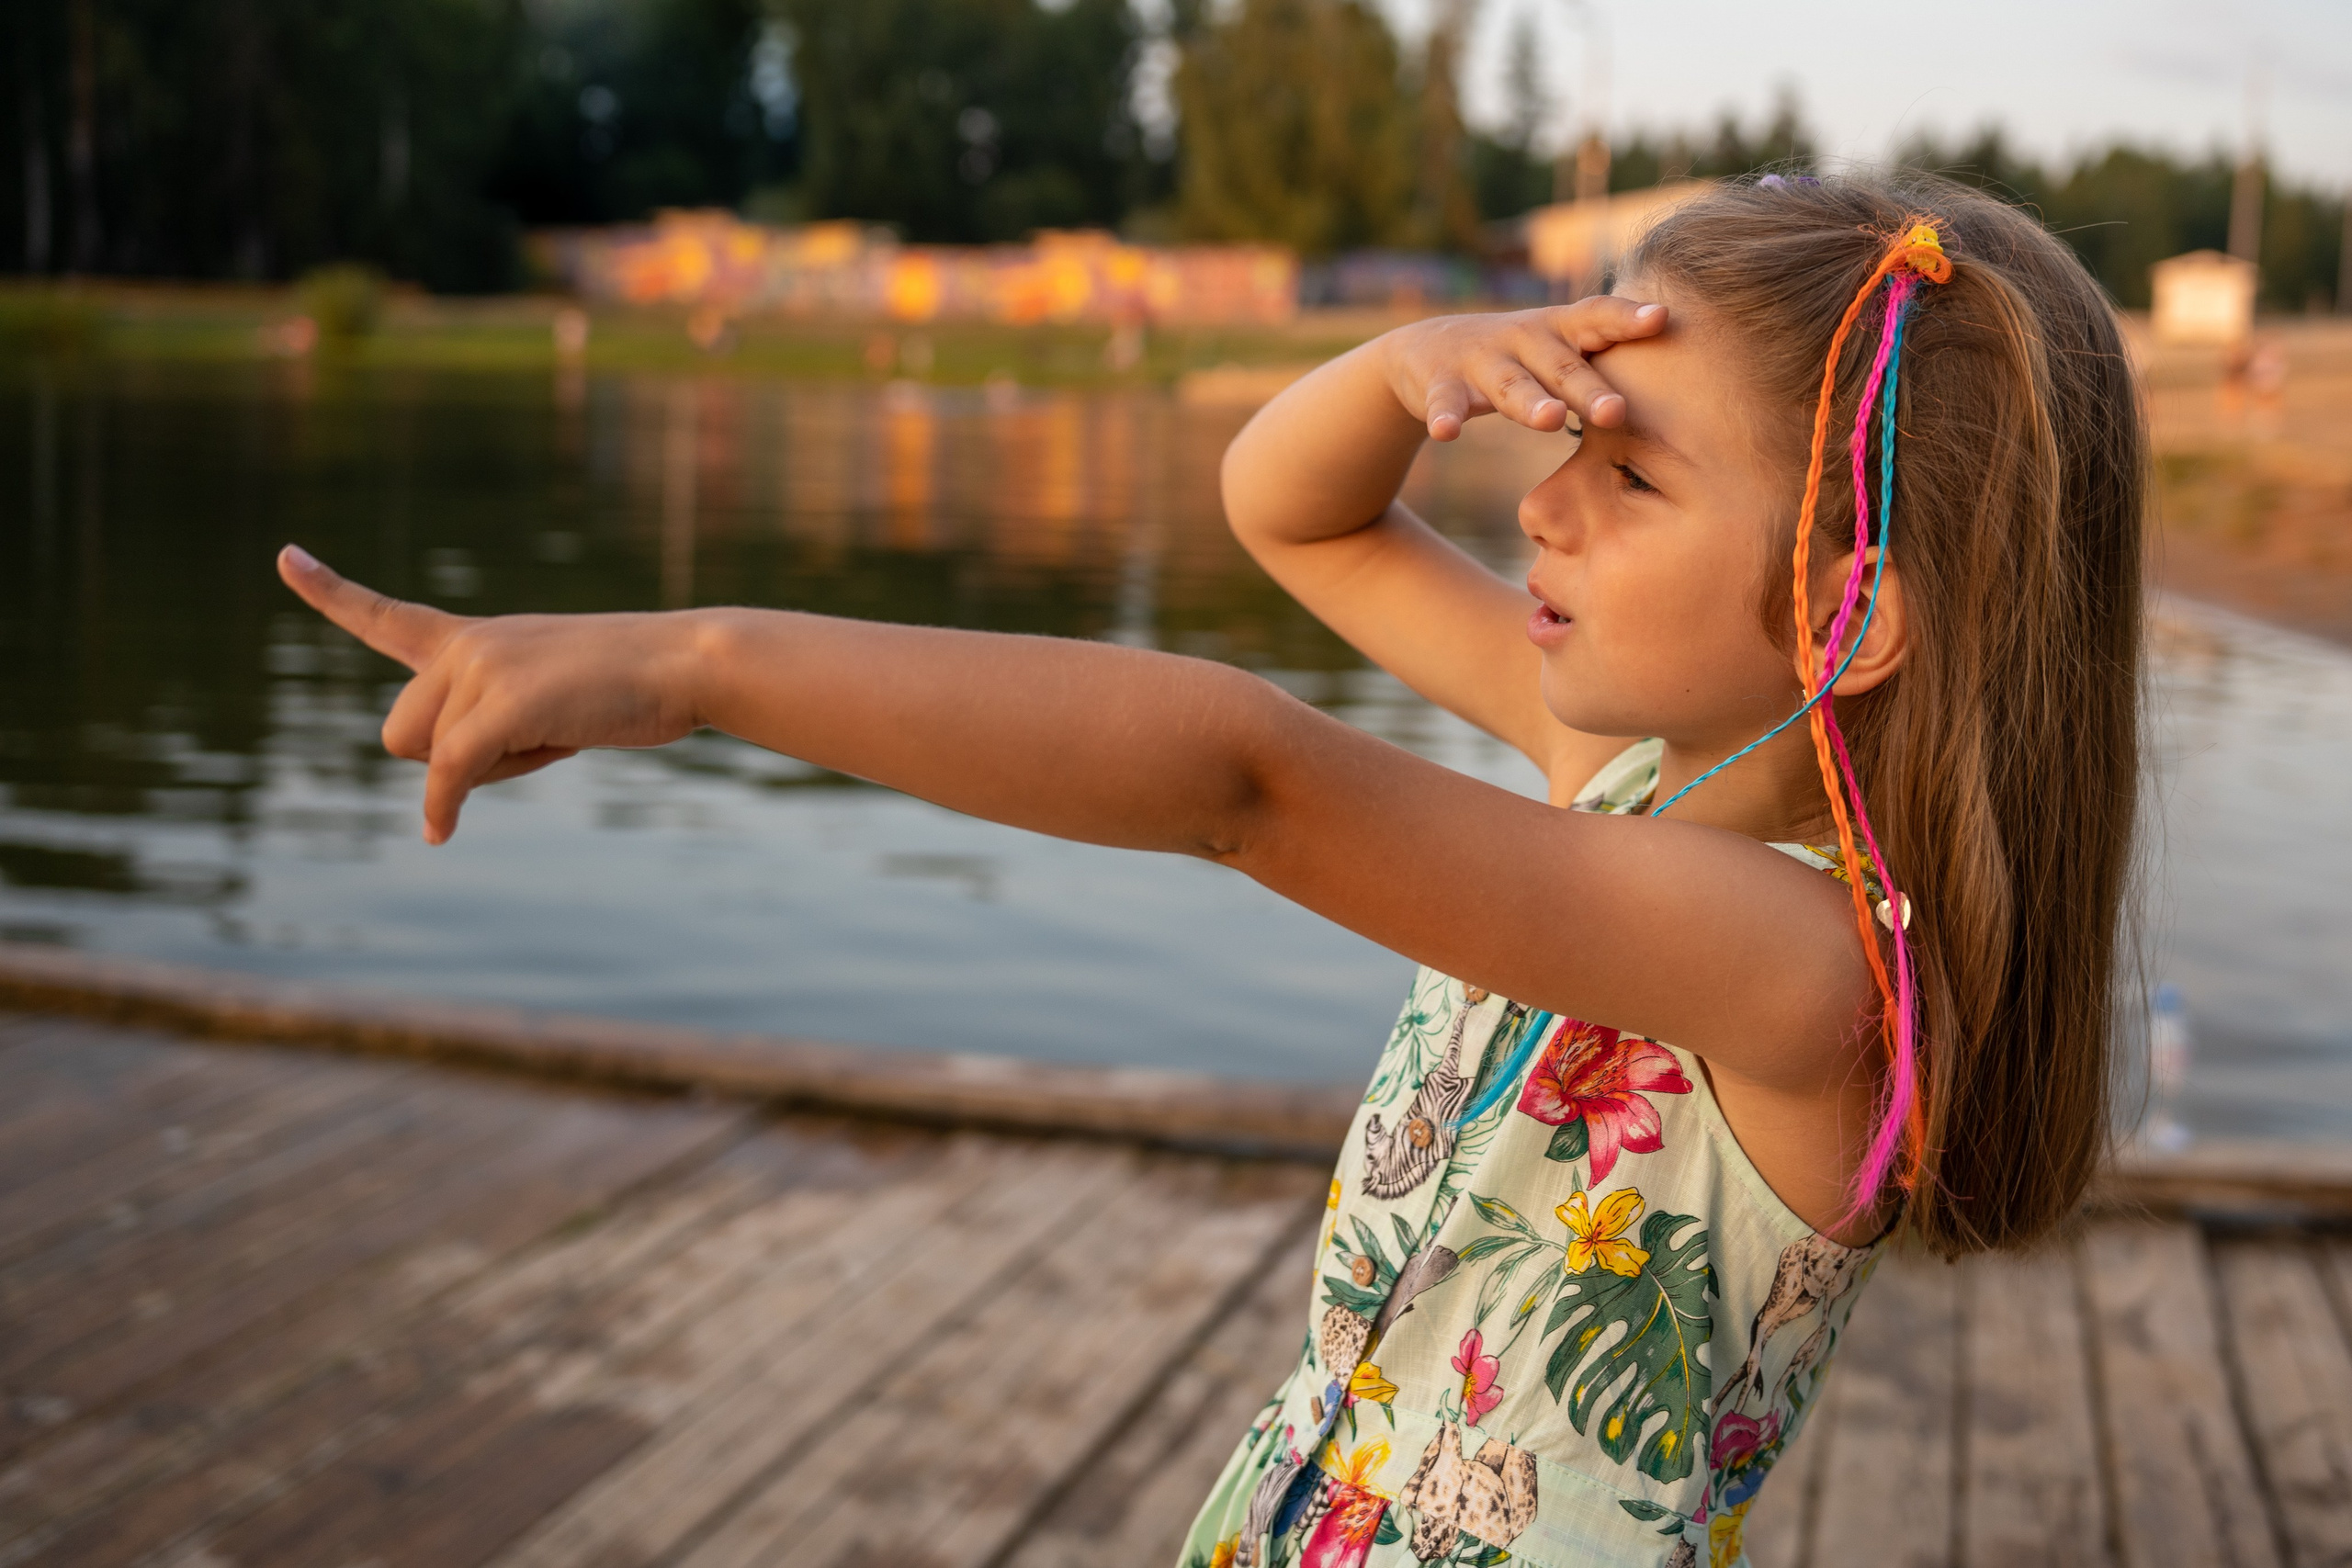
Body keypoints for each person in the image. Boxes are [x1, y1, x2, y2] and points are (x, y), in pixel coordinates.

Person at [275, 170, 2143, 1568]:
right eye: (1554, 426)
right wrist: (1398, 363)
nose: (1535, 497)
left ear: (1844, 608)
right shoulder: (1630, 773)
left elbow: (1245, 775)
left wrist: (696, 664)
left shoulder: (1803, 973)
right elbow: (1290, 511)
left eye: (1625, 472)